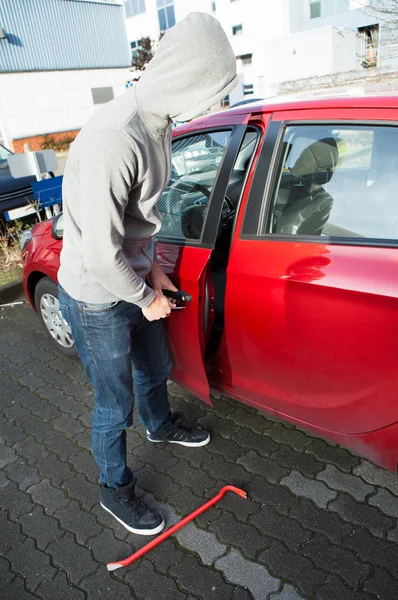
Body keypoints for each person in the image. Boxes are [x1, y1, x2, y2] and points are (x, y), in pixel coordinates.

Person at [57, 13, 238, 535]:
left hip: (131, 280)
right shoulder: (116, 137)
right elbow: (98, 254)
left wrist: (156, 275)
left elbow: (140, 219)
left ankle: (161, 427)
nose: (215, 103)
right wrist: (144, 297)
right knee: (115, 405)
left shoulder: (159, 120)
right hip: (98, 295)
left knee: (155, 366)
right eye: (213, 90)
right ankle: (115, 491)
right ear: (188, 79)